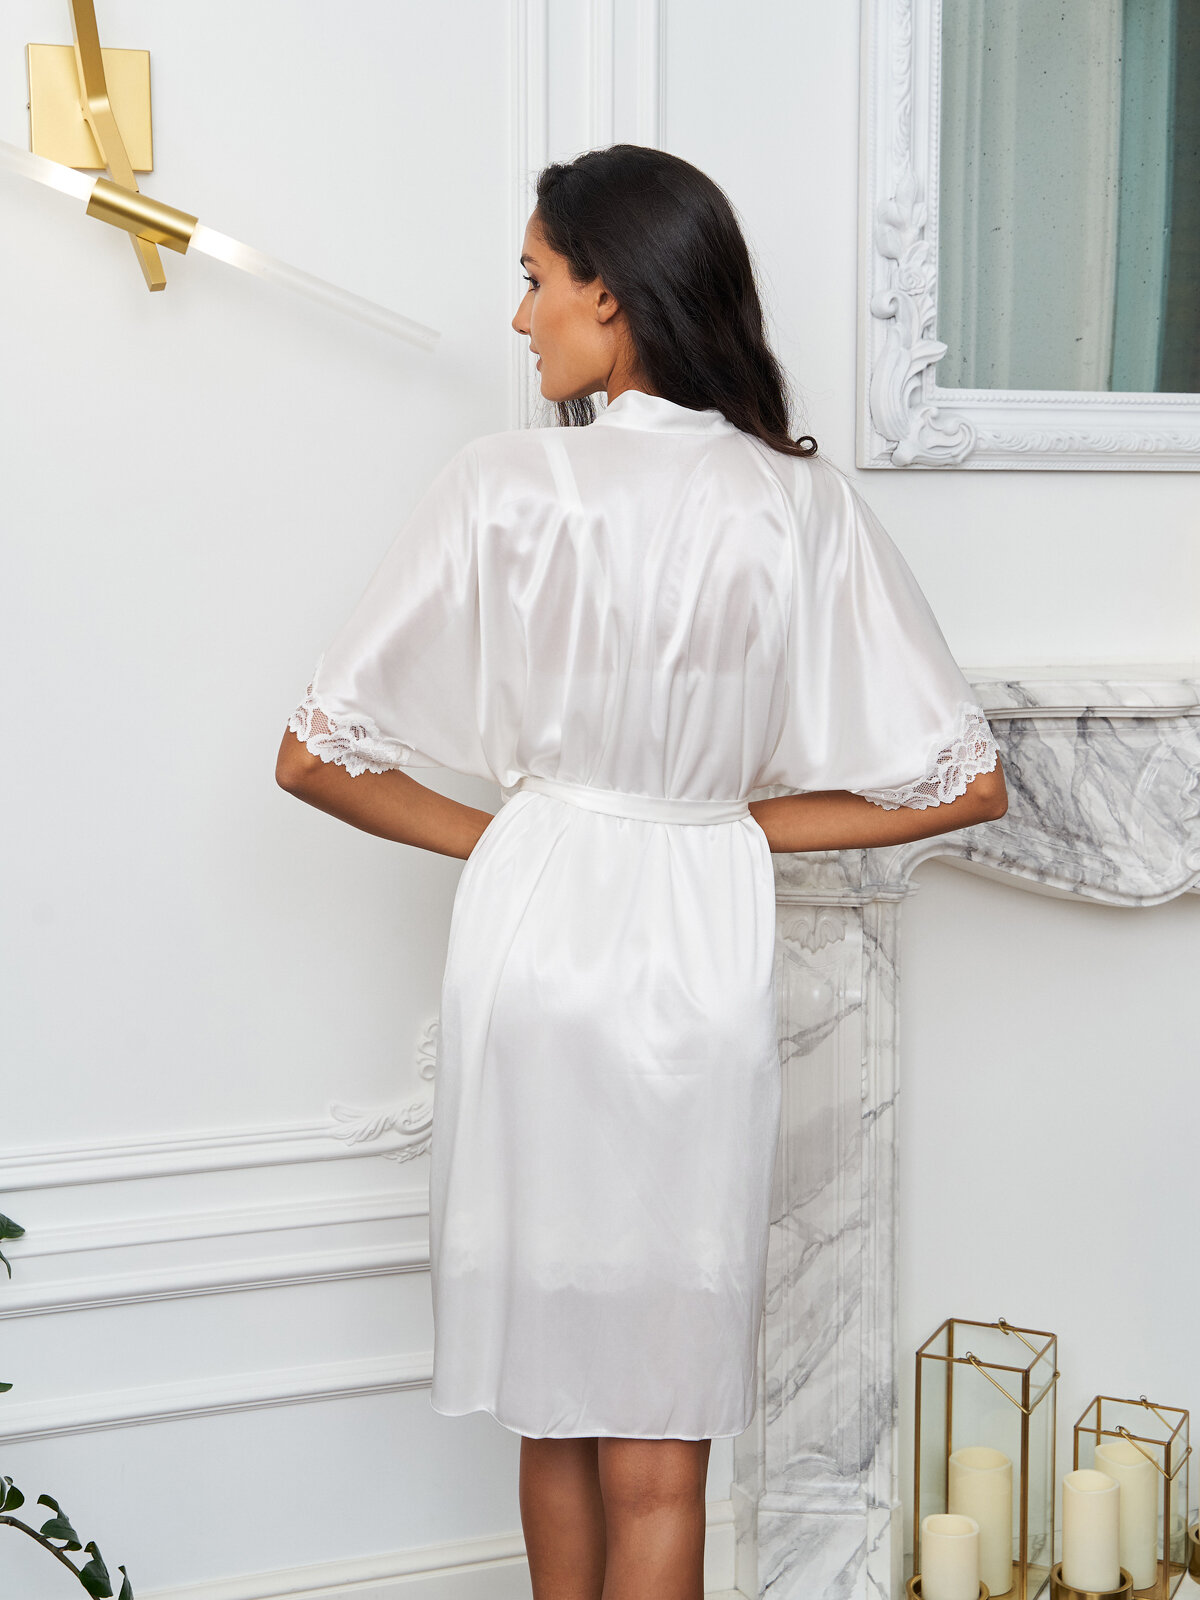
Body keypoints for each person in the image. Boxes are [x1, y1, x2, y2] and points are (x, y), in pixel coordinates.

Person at [275, 144, 1007, 1600]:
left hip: (532, 946)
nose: (519, 315)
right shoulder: (796, 502)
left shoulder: (500, 484)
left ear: (609, 293)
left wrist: (521, 838)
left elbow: (312, 755)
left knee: (551, 1398)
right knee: (662, 1441)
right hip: (694, 962)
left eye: (535, 278)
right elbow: (961, 780)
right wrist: (726, 826)